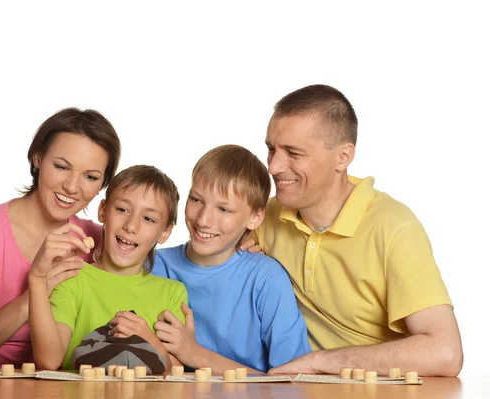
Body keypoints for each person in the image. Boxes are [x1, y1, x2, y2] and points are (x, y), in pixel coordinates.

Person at [251, 84, 463, 376]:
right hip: (296, 390)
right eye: (271, 149)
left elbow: (445, 352)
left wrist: (321, 362)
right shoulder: (265, 216)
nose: (273, 167)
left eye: (294, 153)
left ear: (343, 157)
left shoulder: (394, 227)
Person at [0, 108, 121, 368]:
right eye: (62, 166)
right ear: (37, 157)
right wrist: (32, 297)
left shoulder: (97, 241)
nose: (72, 187)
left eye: (91, 177)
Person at [151, 145, 311, 374]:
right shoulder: (155, 265)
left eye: (224, 209)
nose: (204, 220)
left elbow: (292, 381)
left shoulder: (267, 280)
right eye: (196, 199)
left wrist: (195, 354)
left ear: (255, 218)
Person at [28, 165, 188, 372]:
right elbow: (49, 361)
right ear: (103, 211)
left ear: (165, 232)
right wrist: (37, 280)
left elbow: (172, 372)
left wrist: (148, 338)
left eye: (148, 218)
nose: (131, 226)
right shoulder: (73, 276)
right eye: (122, 209)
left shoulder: (172, 293)